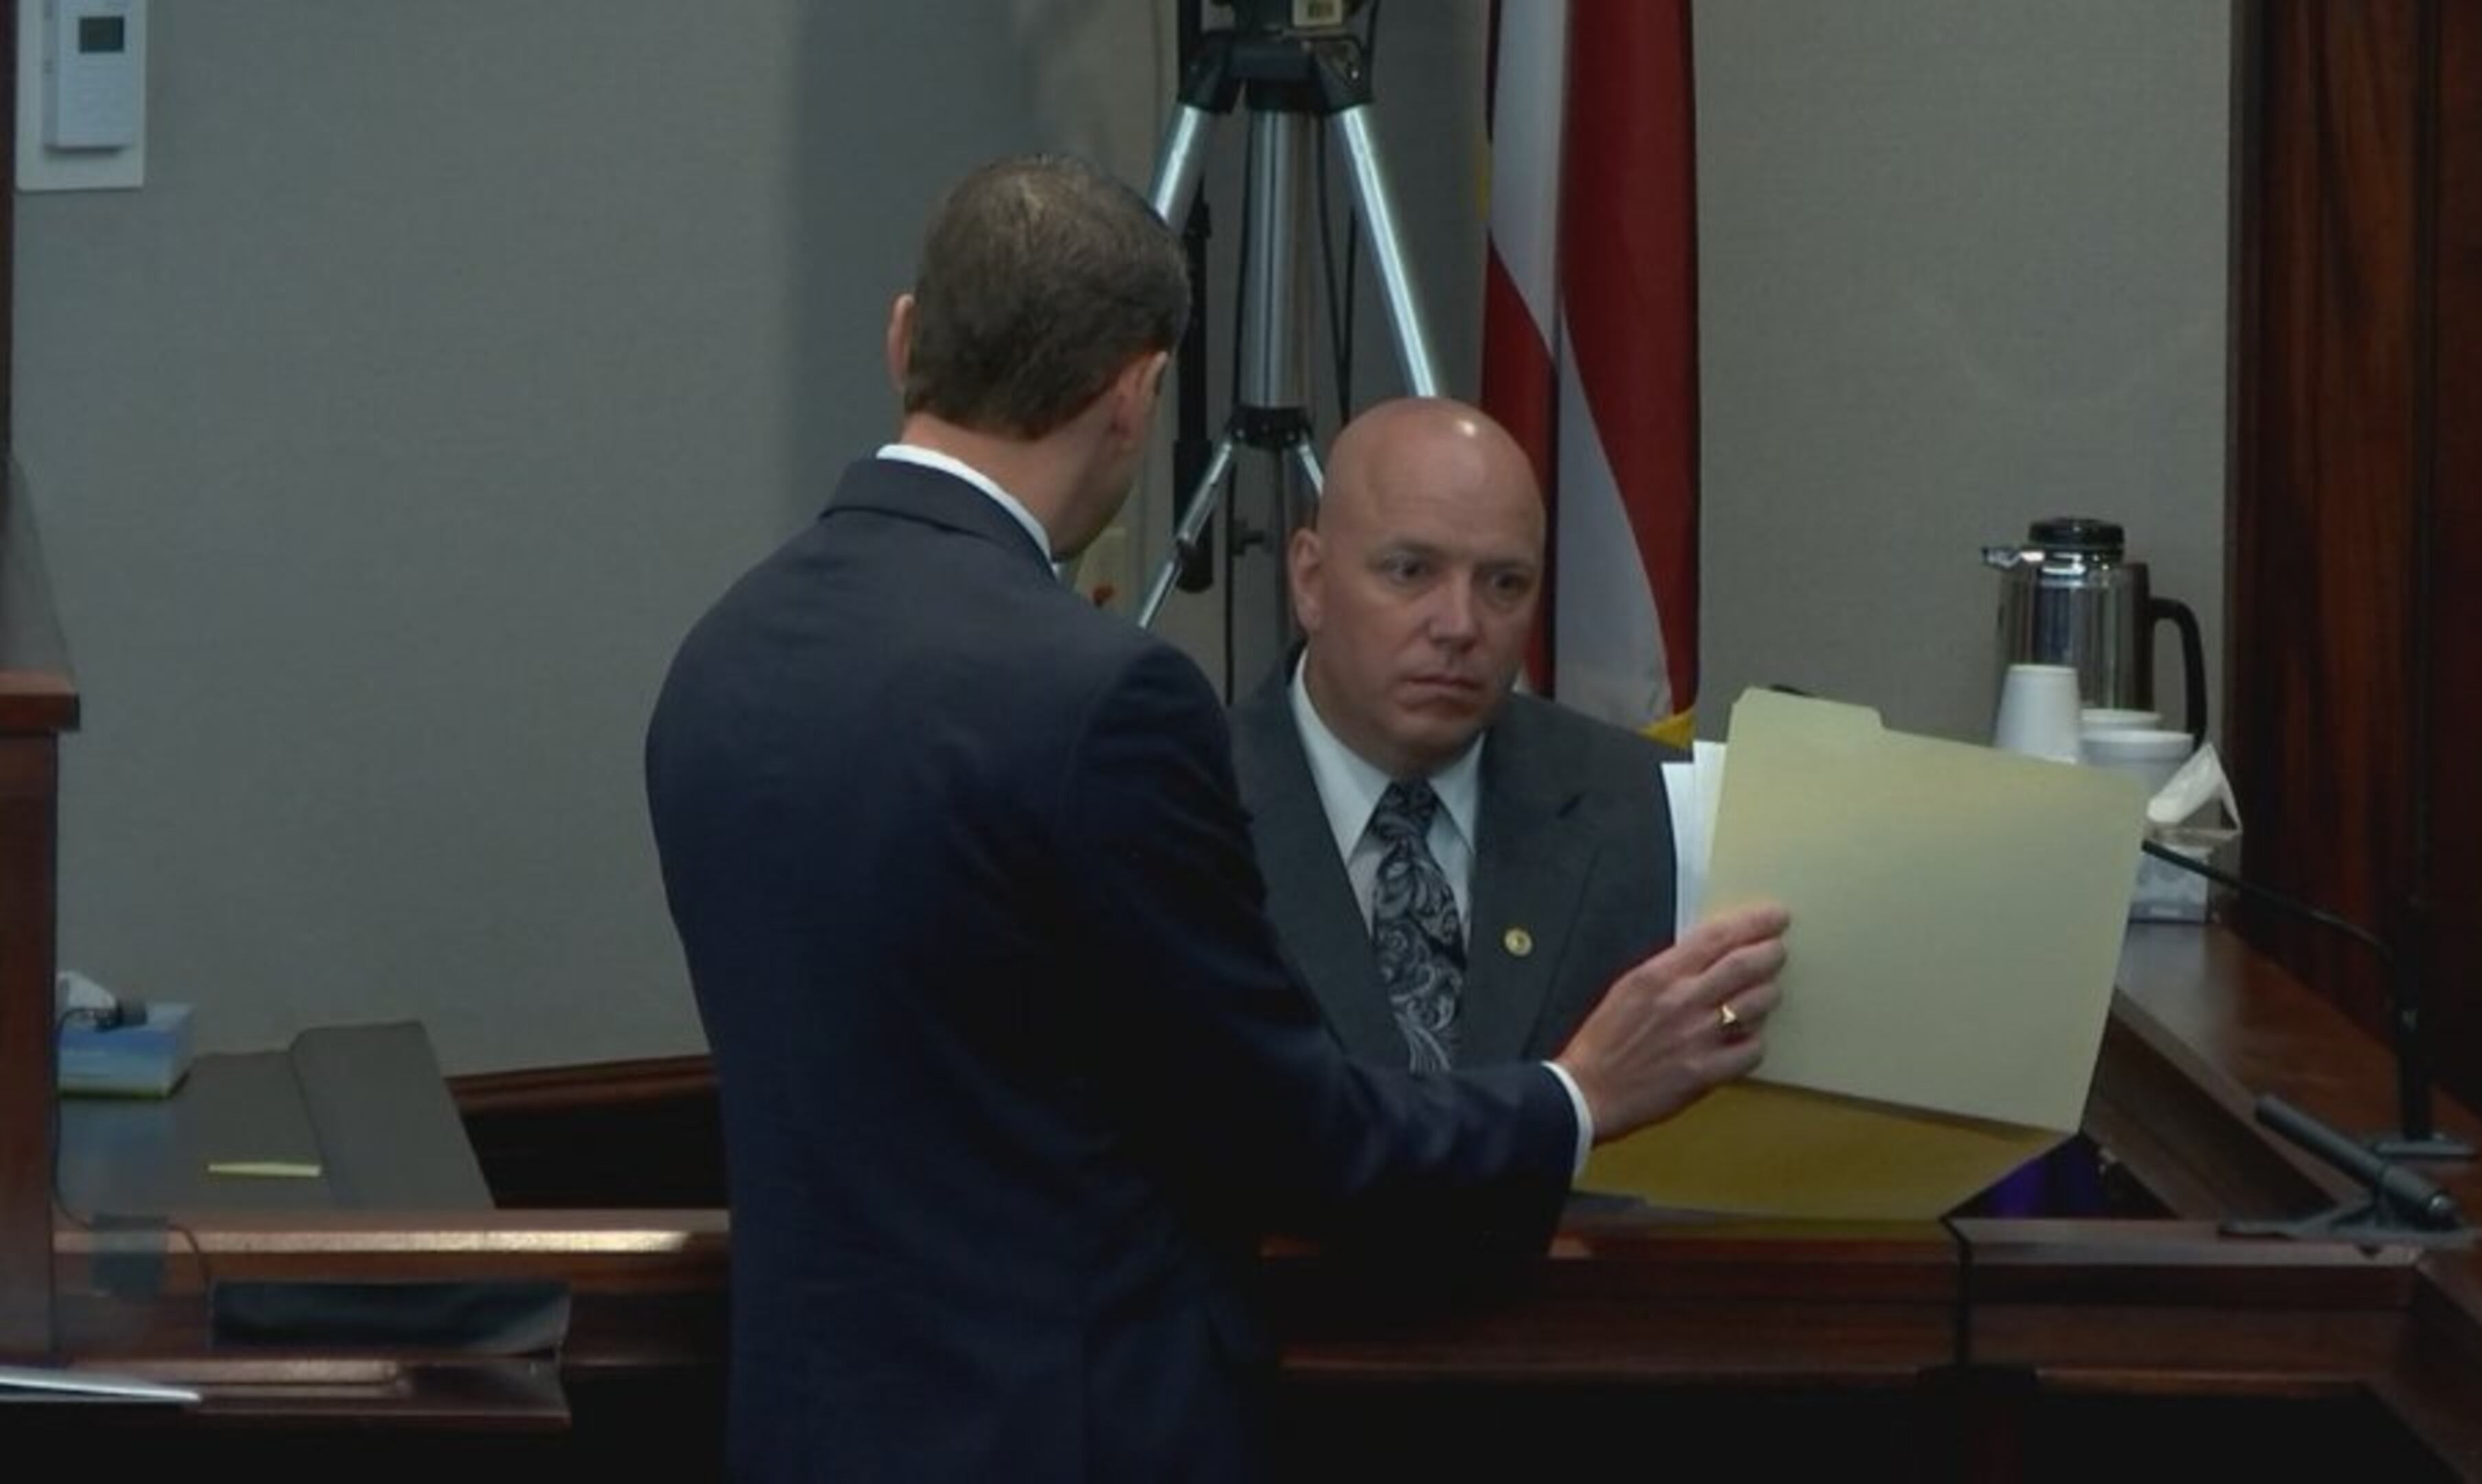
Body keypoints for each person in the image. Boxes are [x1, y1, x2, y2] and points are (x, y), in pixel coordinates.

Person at [643, 153, 1789, 1483]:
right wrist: (1577, 1097)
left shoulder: (720, 659)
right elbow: (1290, 1143)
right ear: (1135, 396)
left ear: (907, 336)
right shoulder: (1102, 700)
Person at [1232, 398, 1679, 1071]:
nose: (1460, 625)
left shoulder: (1648, 808)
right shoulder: (1176, 805)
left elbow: (1731, 1049)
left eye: (1505, 584)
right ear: (1311, 581)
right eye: (1411, 572)